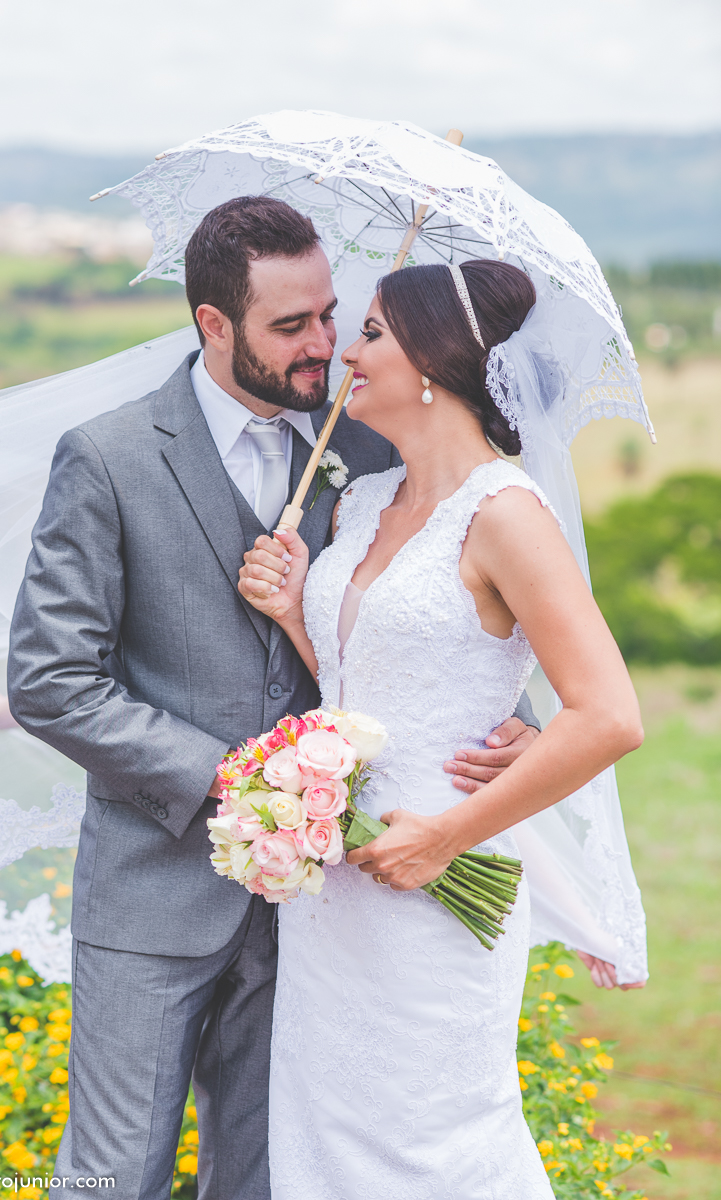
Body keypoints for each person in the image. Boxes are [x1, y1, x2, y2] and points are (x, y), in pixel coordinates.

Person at [6, 198, 540, 1200]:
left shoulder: (372, 453)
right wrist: (246, 786)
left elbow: (443, 621)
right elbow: (51, 680)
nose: (324, 346)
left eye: (331, 315)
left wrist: (518, 724)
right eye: (291, 325)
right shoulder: (109, 458)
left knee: (267, 1176)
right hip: (153, 895)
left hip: (324, 918)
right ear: (214, 324)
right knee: (112, 1177)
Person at [237, 258, 645, 1198]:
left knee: (433, 1148)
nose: (346, 353)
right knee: (325, 1142)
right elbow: (363, 682)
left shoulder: (506, 517)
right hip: (335, 893)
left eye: (371, 333)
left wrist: (446, 836)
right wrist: (296, 610)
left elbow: (609, 716)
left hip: (437, 885)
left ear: (434, 359)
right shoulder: (364, 501)